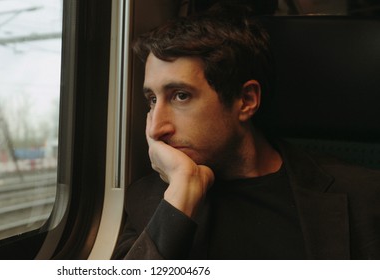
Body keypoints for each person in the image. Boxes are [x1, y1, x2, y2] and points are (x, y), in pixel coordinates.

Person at [112, 4, 380, 259]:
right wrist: (182, 192)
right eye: (152, 99)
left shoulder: (364, 196)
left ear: (246, 100)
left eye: (181, 96)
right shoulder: (150, 201)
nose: (157, 127)